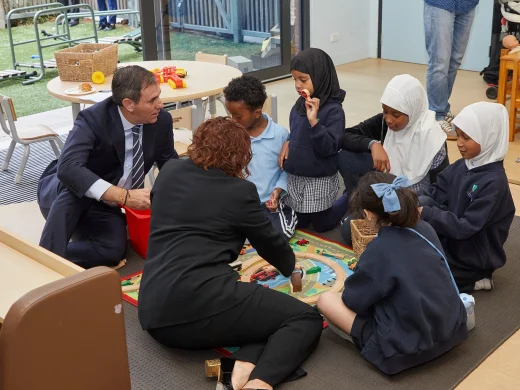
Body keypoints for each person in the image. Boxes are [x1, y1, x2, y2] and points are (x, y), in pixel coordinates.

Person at [138, 117, 323, 390]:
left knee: (264, 318)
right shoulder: (240, 191)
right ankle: (260, 383)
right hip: (198, 305)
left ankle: (237, 369)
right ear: (240, 156)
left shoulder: (170, 171)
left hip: (153, 309)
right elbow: (269, 242)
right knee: (304, 318)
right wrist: (291, 267)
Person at [317, 171, 468, 375]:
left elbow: (353, 300)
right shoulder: (425, 228)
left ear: (369, 214)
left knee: (326, 300)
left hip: (404, 351)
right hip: (453, 330)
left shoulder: (378, 250)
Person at [37, 65, 177, 269]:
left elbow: (170, 163)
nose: (161, 104)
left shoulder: (161, 121)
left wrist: (198, 188)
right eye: (152, 100)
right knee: (72, 190)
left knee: (112, 251)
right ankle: (46, 260)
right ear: (129, 104)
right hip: (65, 192)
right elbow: (68, 168)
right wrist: (125, 197)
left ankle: (48, 254)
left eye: (159, 97)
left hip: (105, 202)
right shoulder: (93, 119)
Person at [339, 74, 448, 246]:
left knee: (422, 219)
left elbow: (441, 189)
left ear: (412, 110)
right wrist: (373, 144)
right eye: (385, 112)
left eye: (396, 115)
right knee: (347, 231)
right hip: (384, 198)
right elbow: (344, 135)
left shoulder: (432, 138)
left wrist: (407, 206)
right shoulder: (384, 123)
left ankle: (392, 235)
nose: (389, 119)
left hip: (414, 204)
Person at [419, 102, 515, 292]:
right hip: (453, 240)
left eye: (467, 137)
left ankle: (477, 279)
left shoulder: (494, 182)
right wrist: (408, 202)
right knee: (421, 207)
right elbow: (436, 191)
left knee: (422, 274)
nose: (459, 142)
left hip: (474, 256)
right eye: (459, 135)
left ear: (489, 138)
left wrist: (427, 214)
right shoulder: (465, 164)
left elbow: (466, 227)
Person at [278, 48, 348, 233]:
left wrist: (314, 122)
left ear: (320, 77)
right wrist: (288, 142)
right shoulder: (298, 106)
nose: (298, 85)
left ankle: (349, 197)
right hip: (297, 176)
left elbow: (329, 147)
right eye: (294, 79)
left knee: (321, 225)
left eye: (303, 80)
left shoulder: (334, 111)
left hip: (319, 178)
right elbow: (297, 133)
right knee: (299, 223)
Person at [224, 75, 297, 240]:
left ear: (257, 113)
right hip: (240, 204)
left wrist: (277, 190)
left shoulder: (280, 135)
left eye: (238, 116)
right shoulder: (232, 134)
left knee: (280, 233)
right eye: (230, 115)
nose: (232, 120)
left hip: (267, 204)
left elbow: (286, 170)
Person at [424, 0, 480, 139]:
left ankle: (442, 109)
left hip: (468, 4)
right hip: (440, 4)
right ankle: (436, 115)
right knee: (439, 62)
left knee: (454, 61)